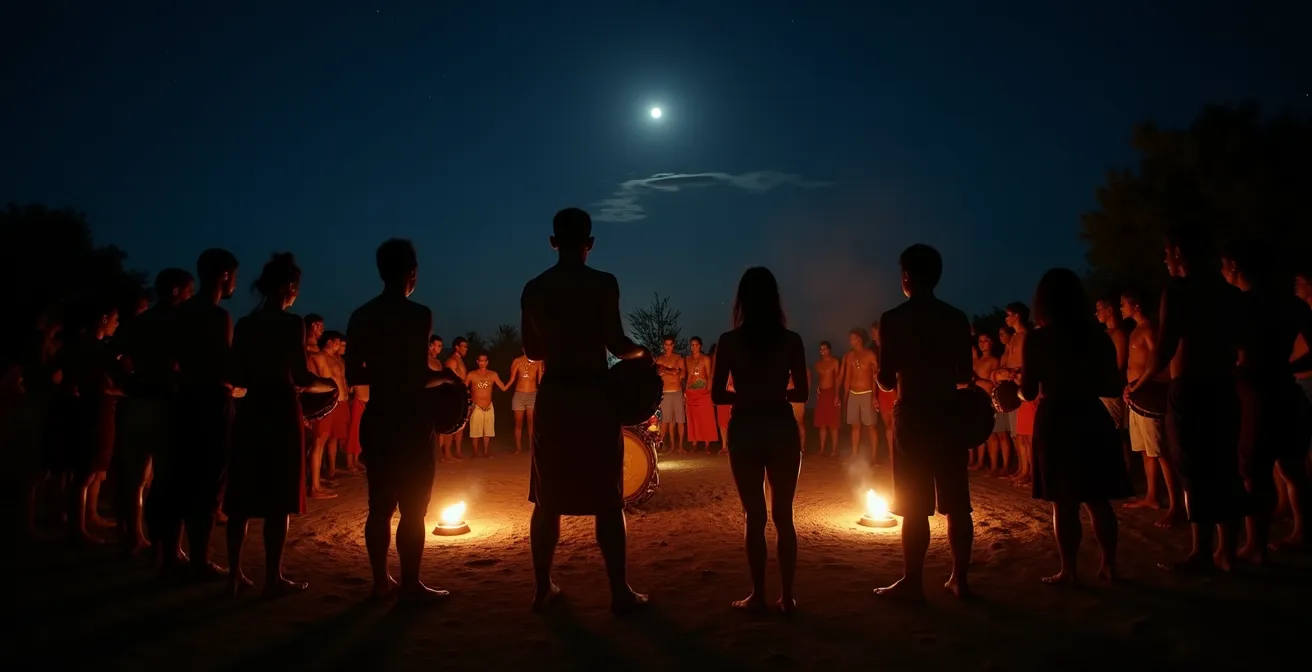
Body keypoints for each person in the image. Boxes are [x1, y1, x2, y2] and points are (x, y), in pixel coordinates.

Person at [521, 207, 649, 614]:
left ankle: (543, 588)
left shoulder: (535, 288)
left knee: (547, 497)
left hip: (555, 396)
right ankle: (618, 592)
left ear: (553, 241)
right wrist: (642, 354)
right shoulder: (603, 283)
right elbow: (616, 342)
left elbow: (533, 350)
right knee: (608, 498)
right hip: (595, 397)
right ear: (590, 243)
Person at [1128, 227, 1245, 572]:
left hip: (1191, 388)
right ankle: (1226, 551)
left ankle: (1202, 551)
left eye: (1166, 253)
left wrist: (1141, 382)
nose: (1164, 260)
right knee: (1224, 467)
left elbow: (1163, 350)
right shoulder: (1227, 292)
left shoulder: (1178, 290)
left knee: (1194, 468)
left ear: (1179, 252)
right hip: (1224, 386)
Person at [225, 253, 336, 596]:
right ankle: (272, 577)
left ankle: (234, 575)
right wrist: (328, 387)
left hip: (251, 409)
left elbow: (237, 375)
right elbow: (302, 376)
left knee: (242, 496)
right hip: (280, 410)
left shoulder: (244, 324)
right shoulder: (292, 324)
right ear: (290, 287)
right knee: (279, 495)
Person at [347, 238, 448, 601]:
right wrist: (447, 379)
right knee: (412, 507)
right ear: (412, 273)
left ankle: (378, 583)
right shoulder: (418, 315)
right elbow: (420, 374)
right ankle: (410, 584)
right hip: (411, 421)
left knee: (379, 506)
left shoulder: (361, 315)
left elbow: (354, 377)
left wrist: (384, 374)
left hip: (378, 418)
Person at [874, 244, 974, 600]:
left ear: (906, 276)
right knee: (956, 501)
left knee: (914, 503)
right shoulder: (956, 317)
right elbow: (965, 374)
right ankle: (959, 579)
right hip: (948, 412)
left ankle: (913, 581)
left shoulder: (893, 318)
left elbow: (886, 380)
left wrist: (882, 374)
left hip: (913, 413)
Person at [1020, 269, 1131, 584]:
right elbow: (1111, 385)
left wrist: (1017, 387)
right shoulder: (1097, 336)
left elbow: (1027, 392)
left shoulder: (1039, 338)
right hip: (1090, 416)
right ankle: (1109, 565)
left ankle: (1069, 570)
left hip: (1055, 418)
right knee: (1098, 499)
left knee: (1064, 502)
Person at [712, 267, 807, 613]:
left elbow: (718, 395)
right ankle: (788, 596)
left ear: (742, 300)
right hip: (781, 427)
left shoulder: (729, 341)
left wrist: (748, 393)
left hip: (746, 429)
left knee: (755, 515)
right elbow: (803, 391)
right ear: (774, 298)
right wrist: (775, 391)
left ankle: (759, 596)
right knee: (784, 515)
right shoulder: (791, 340)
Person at [1221, 241, 1312, 558]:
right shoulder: (1292, 305)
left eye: (1223, 265)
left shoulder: (1241, 305)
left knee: (1253, 472)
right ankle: (1302, 531)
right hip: (1285, 389)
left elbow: (1231, 352)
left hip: (1254, 393)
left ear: (1233, 265)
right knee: (1292, 467)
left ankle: (1255, 544)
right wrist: (1288, 366)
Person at [164, 248, 239, 580]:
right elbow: (225, 364)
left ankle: (170, 554)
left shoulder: (179, 314)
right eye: (234, 275)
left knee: (181, 477)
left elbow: (174, 360)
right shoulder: (216, 315)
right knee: (210, 480)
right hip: (211, 400)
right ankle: (198, 560)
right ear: (224, 275)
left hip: (183, 399)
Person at [115, 268, 193, 554]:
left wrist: (128, 378)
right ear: (175, 291)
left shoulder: (138, 322)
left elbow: (114, 355)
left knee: (136, 476)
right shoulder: (180, 320)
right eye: (188, 290)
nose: (191, 295)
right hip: (165, 402)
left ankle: (135, 536)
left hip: (137, 403)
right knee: (165, 478)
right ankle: (168, 547)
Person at [1119, 290, 1184, 526]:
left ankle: (1177, 505)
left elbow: (1163, 364)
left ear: (1136, 305)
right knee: (1147, 451)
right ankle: (1152, 496)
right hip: (1137, 397)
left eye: (1123, 304)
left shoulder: (1149, 330)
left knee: (1161, 452)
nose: (1121, 308)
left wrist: (1140, 384)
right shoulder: (1135, 331)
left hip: (1150, 398)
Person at [64, 299, 124, 544]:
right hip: (96, 411)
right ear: (103, 319)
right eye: (115, 319)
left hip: (87, 408)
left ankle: (84, 519)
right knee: (86, 470)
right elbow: (105, 384)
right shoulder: (96, 349)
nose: (117, 324)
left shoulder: (78, 345)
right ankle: (77, 530)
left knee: (90, 469)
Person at [307, 331, 348, 497]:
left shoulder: (337, 359)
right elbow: (309, 381)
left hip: (339, 403)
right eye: (337, 341)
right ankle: (314, 486)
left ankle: (322, 478)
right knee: (318, 442)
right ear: (330, 342)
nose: (339, 344)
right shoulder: (317, 357)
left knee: (330, 440)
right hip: (324, 404)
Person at [1095, 296, 1131, 468]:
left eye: (1099, 309)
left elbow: (1120, 364)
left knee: (1116, 433)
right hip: (1099, 389)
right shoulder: (1102, 334)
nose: (1096, 313)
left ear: (1109, 310)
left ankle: (1125, 472)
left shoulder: (1118, 333)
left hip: (1111, 389)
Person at [465, 352, 511, 458]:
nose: (482, 363)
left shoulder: (492, 374)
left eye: (484, 361)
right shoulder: (472, 374)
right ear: (477, 362)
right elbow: (464, 387)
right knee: (475, 432)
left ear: (487, 362)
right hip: (476, 406)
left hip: (488, 406)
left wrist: (512, 379)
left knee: (488, 432)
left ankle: (486, 452)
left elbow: (503, 388)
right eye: (480, 361)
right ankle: (475, 453)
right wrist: (469, 399)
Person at [841, 329, 878, 459]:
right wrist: (845, 396)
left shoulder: (870, 355)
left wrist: (874, 396)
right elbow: (847, 378)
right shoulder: (850, 356)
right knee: (855, 426)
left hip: (867, 393)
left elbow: (875, 377)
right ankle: (855, 455)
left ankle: (873, 457)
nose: (850, 341)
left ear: (860, 339)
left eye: (852, 338)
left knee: (870, 426)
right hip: (853, 393)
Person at [971, 332, 1005, 471]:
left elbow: (996, 381)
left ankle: (995, 465)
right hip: (976, 399)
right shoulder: (976, 360)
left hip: (989, 399)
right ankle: (979, 462)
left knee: (994, 434)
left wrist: (979, 381)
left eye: (985, 341)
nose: (982, 344)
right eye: (980, 341)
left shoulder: (993, 360)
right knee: (980, 433)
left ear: (991, 342)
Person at [684, 337, 718, 453]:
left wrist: (709, 389)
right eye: (692, 345)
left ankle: (707, 444)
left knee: (706, 418)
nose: (694, 347)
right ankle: (694, 443)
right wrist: (686, 389)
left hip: (703, 392)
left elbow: (709, 375)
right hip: (691, 392)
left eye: (696, 345)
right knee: (693, 419)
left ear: (700, 346)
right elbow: (689, 375)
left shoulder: (706, 359)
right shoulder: (688, 359)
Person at [872, 321, 898, 464]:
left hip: (892, 389)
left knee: (895, 424)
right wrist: (875, 395)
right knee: (888, 425)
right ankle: (891, 453)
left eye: (875, 332)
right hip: (881, 391)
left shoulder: (891, 350)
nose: (873, 334)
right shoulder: (875, 351)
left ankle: (897, 453)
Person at [508, 348, 543, 454]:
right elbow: (512, 378)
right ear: (523, 349)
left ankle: (532, 447)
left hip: (532, 394)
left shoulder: (538, 362)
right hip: (519, 394)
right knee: (518, 423)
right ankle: (518, 448)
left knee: (531, 422)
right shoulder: (517, 361)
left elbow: (540, 380)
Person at [656, 337, 686, 454]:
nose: (668, 347)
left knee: (680, 420)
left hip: (677, 391)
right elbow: (659, 373)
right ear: (663, 346)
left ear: (673, 345)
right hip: (666, 392)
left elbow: (681, 373)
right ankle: (666, 446)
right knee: (665, 421)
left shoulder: (678, 358)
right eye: (666, 344)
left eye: (670, 344)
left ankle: (680, 446)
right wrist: (672, 371)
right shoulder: (659, 359)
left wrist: (669, 371)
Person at [812, 341, 842, 456]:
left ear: (829, 350)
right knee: (822, 423)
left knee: (833, 423)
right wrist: (817, 388)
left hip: (831, 393)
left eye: (824, 349)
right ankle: (822, 449)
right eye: (820, 349)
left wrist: (836, 395)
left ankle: (834, 450)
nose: (822, 351)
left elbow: (837, 380)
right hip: (822, 394)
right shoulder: (817, 364)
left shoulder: (835, 362)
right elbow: (817, 379)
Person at [443, 337, 469, 458]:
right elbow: (449, 379)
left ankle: (458, 452)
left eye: (466, 347)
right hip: (453, 395)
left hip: (460, 395)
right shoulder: (452, 361)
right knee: (452, 424)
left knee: (460, 425)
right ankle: (447, 453)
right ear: (456, 347)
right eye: (463, 346)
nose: (465, 349)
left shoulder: (460, 361)